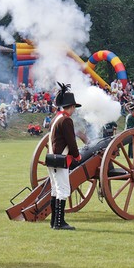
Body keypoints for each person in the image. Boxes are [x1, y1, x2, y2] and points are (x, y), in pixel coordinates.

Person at [47, 82, 81, 230]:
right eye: (74, 107)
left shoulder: (56, 118)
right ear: (71, 106)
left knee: (55, 189)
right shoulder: (66, 120)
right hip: (61, 158)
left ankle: (54, 221)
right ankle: (60, 223)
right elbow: (71, 141)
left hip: (52, 158)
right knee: (63, 190)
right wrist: (77, 156)